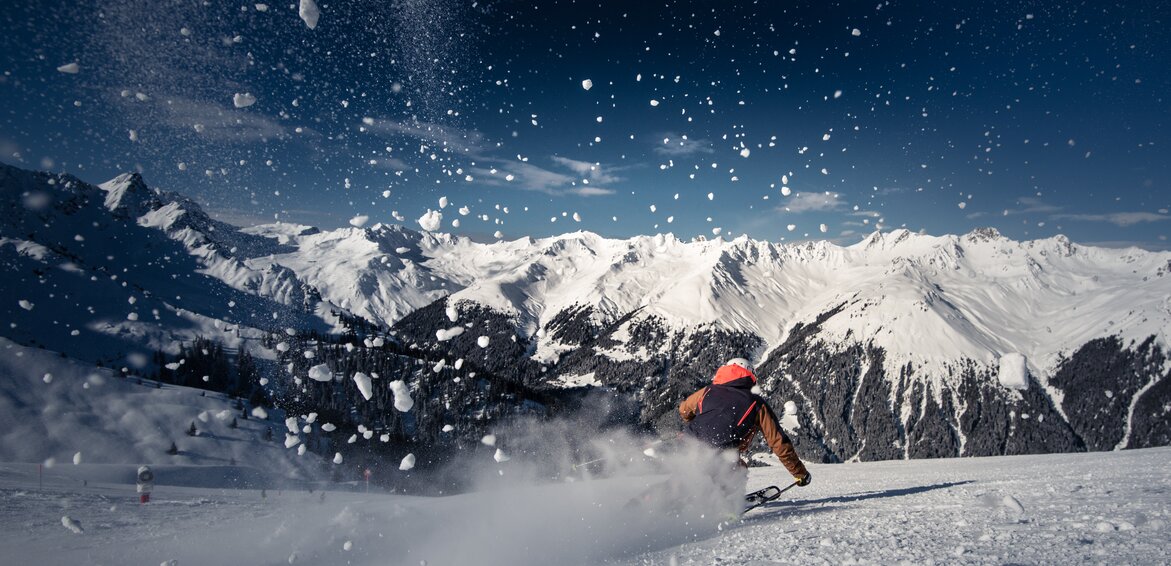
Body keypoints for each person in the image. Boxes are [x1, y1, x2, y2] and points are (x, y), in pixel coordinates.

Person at [679, 358, 811, 487]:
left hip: (688, 444)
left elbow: (684, 410)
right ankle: (726, 502)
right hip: (721, 453)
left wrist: (701, 421)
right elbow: (778, 442)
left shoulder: (707, 391)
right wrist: (800, 473)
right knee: (740, 470)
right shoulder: (756, 403)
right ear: (751, 376)